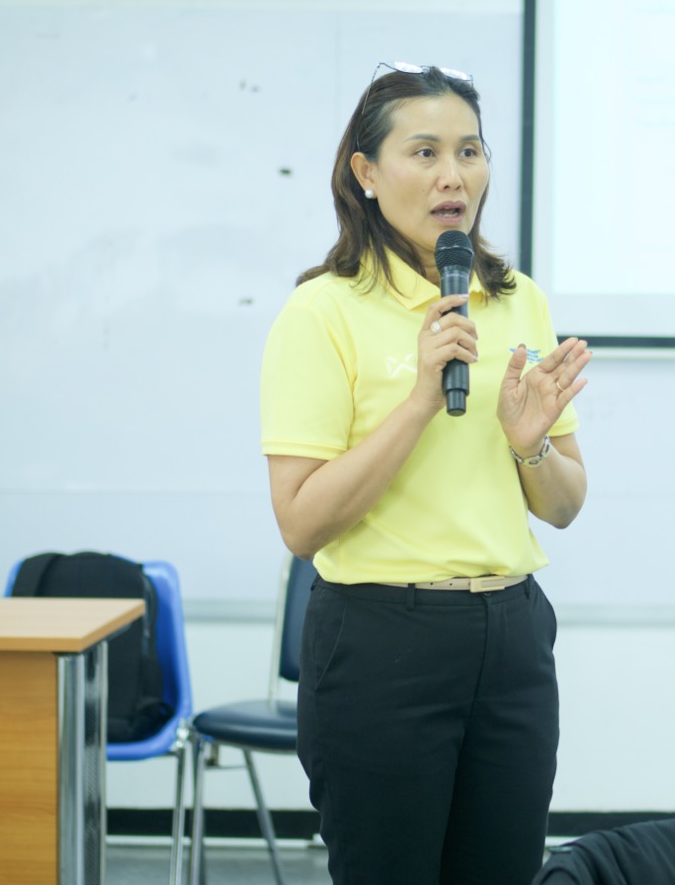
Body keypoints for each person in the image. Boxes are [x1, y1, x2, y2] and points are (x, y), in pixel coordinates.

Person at [259, 62, 591, 885]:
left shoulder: (518, 300)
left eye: (470, 151)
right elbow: (300, 522)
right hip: (381, 640)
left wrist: (528, 445)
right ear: (365, 173)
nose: (454, 176)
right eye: (425, 152)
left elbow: (564, 505)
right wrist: (417, 402)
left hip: (511, 638)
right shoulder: (323, 310)